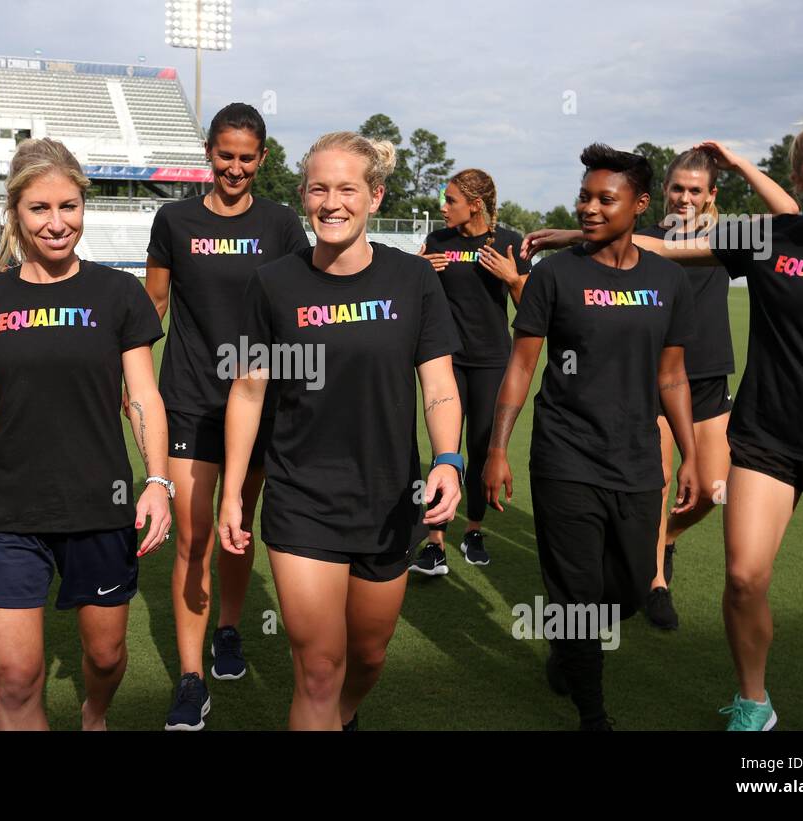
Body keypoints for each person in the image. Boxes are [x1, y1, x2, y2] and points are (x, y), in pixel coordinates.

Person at [523, 92, 803, 731]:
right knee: (742, 578)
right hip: (767, 437)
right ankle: (753, 703)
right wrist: (585, 233)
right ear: (798, 178)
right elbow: (672, 247)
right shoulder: (770, 235)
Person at [218, 131, 463, 730]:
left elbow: (439, 386)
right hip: (303, 499)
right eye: (319, 189)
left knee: (368, 657)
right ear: (303, 196)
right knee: (320, 668)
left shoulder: (414, 280)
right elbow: (248, 390)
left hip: (389, 501)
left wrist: (448, 460)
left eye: (347, 189)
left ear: (375, 197)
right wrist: (231, 492)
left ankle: (340, 718)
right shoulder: (273, 283)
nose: (332, 202)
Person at [0, 138, 171, 731]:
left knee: (106, 655)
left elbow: (142, 396)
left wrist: (159, 480)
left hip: (100, 503)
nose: (57, 223)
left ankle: (94, 715)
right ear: (16, 213)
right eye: (40, 209)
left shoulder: (118, 292)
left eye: (69, 207)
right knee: (15, 680)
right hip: (8, 505)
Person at [486, 143, 699, 730]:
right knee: (576, 593)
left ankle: (566, 641)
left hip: (636, 460)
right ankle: (592, 712)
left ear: (640, 204)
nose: (591, 208)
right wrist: (499, 448)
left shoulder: (666, 279)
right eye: (585, 196)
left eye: (607, 198)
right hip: (565, 457)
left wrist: (689, 453)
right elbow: (522, 366)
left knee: (629, 591)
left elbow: (673, 374)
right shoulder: (555, 275)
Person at [144, 103, 310, 730]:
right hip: (189, 396)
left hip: (261, 401)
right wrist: (115, 363)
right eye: (225, 155)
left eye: (247, 157)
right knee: (194, 537)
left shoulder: (282, 223)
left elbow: (303, 301)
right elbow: (154, 302)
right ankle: (190, 677)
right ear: (208, 153)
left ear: (262, 159)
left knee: (238, 526)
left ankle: (231, 629)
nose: (235, 167)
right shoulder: (174, 218)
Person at [635, 147, 798, 629]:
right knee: (659, 484)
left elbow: (788, 216)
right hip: (658, 380)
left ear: (711, 195)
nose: (685, 197)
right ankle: (654, 581)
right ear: (665, 191)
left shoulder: (729, 238)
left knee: (710, 489)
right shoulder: (647, 236)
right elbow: (601, 237)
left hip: (709, 382)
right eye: (677, 188)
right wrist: (563, 235)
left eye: (695, 190)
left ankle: (666, 539)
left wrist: (740, 163)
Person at [410, 168, 531, 575]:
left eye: (450, 200)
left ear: (475, 205)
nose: (442, 207)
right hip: (445, 360)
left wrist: (513, 279)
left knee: (481, 448)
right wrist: (418, 269)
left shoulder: (511, 242)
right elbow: (412, 297)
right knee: (445, 448)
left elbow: (532, 311)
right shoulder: (438, 241)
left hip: (493, 360)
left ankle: (474, 529)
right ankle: (435, 541)